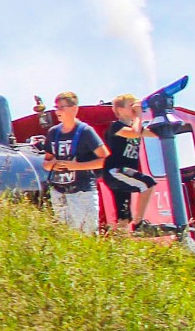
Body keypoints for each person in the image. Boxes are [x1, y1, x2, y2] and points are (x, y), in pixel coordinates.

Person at [42, 91, 108, 235]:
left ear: (74, 109)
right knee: (65, 237)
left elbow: (105, 160)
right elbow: (46, 164)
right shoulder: (53, 133)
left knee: (86, 236)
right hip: (59, 193)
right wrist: (54, 163)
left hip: (82, 193)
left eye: (61, 108)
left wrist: (77, 166)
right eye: (56, 107)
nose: (57, 111)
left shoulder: (86, 131)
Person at [103, 94, 156, 233]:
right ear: (120, 110)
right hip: (115, 171)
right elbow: (135, 133)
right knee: (148, 184)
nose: (134, 108)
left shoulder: (135, 128)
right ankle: (139, 225)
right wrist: (138, 115)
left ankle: (120, 244)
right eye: (130, 106)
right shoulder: (116, 126)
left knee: (124, 217)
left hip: (124, 174)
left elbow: (152, 133)